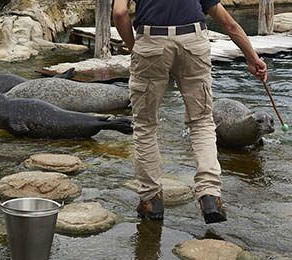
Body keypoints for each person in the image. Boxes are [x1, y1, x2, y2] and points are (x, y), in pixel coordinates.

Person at [113, 0, 267, 224]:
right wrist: (252, 57)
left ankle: (151, 199)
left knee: (146, 126)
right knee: (202, 122)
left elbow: (119, 13)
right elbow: (228, 23)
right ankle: (210, 196)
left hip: (151, 41)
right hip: (193, 40)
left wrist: (133, 46)